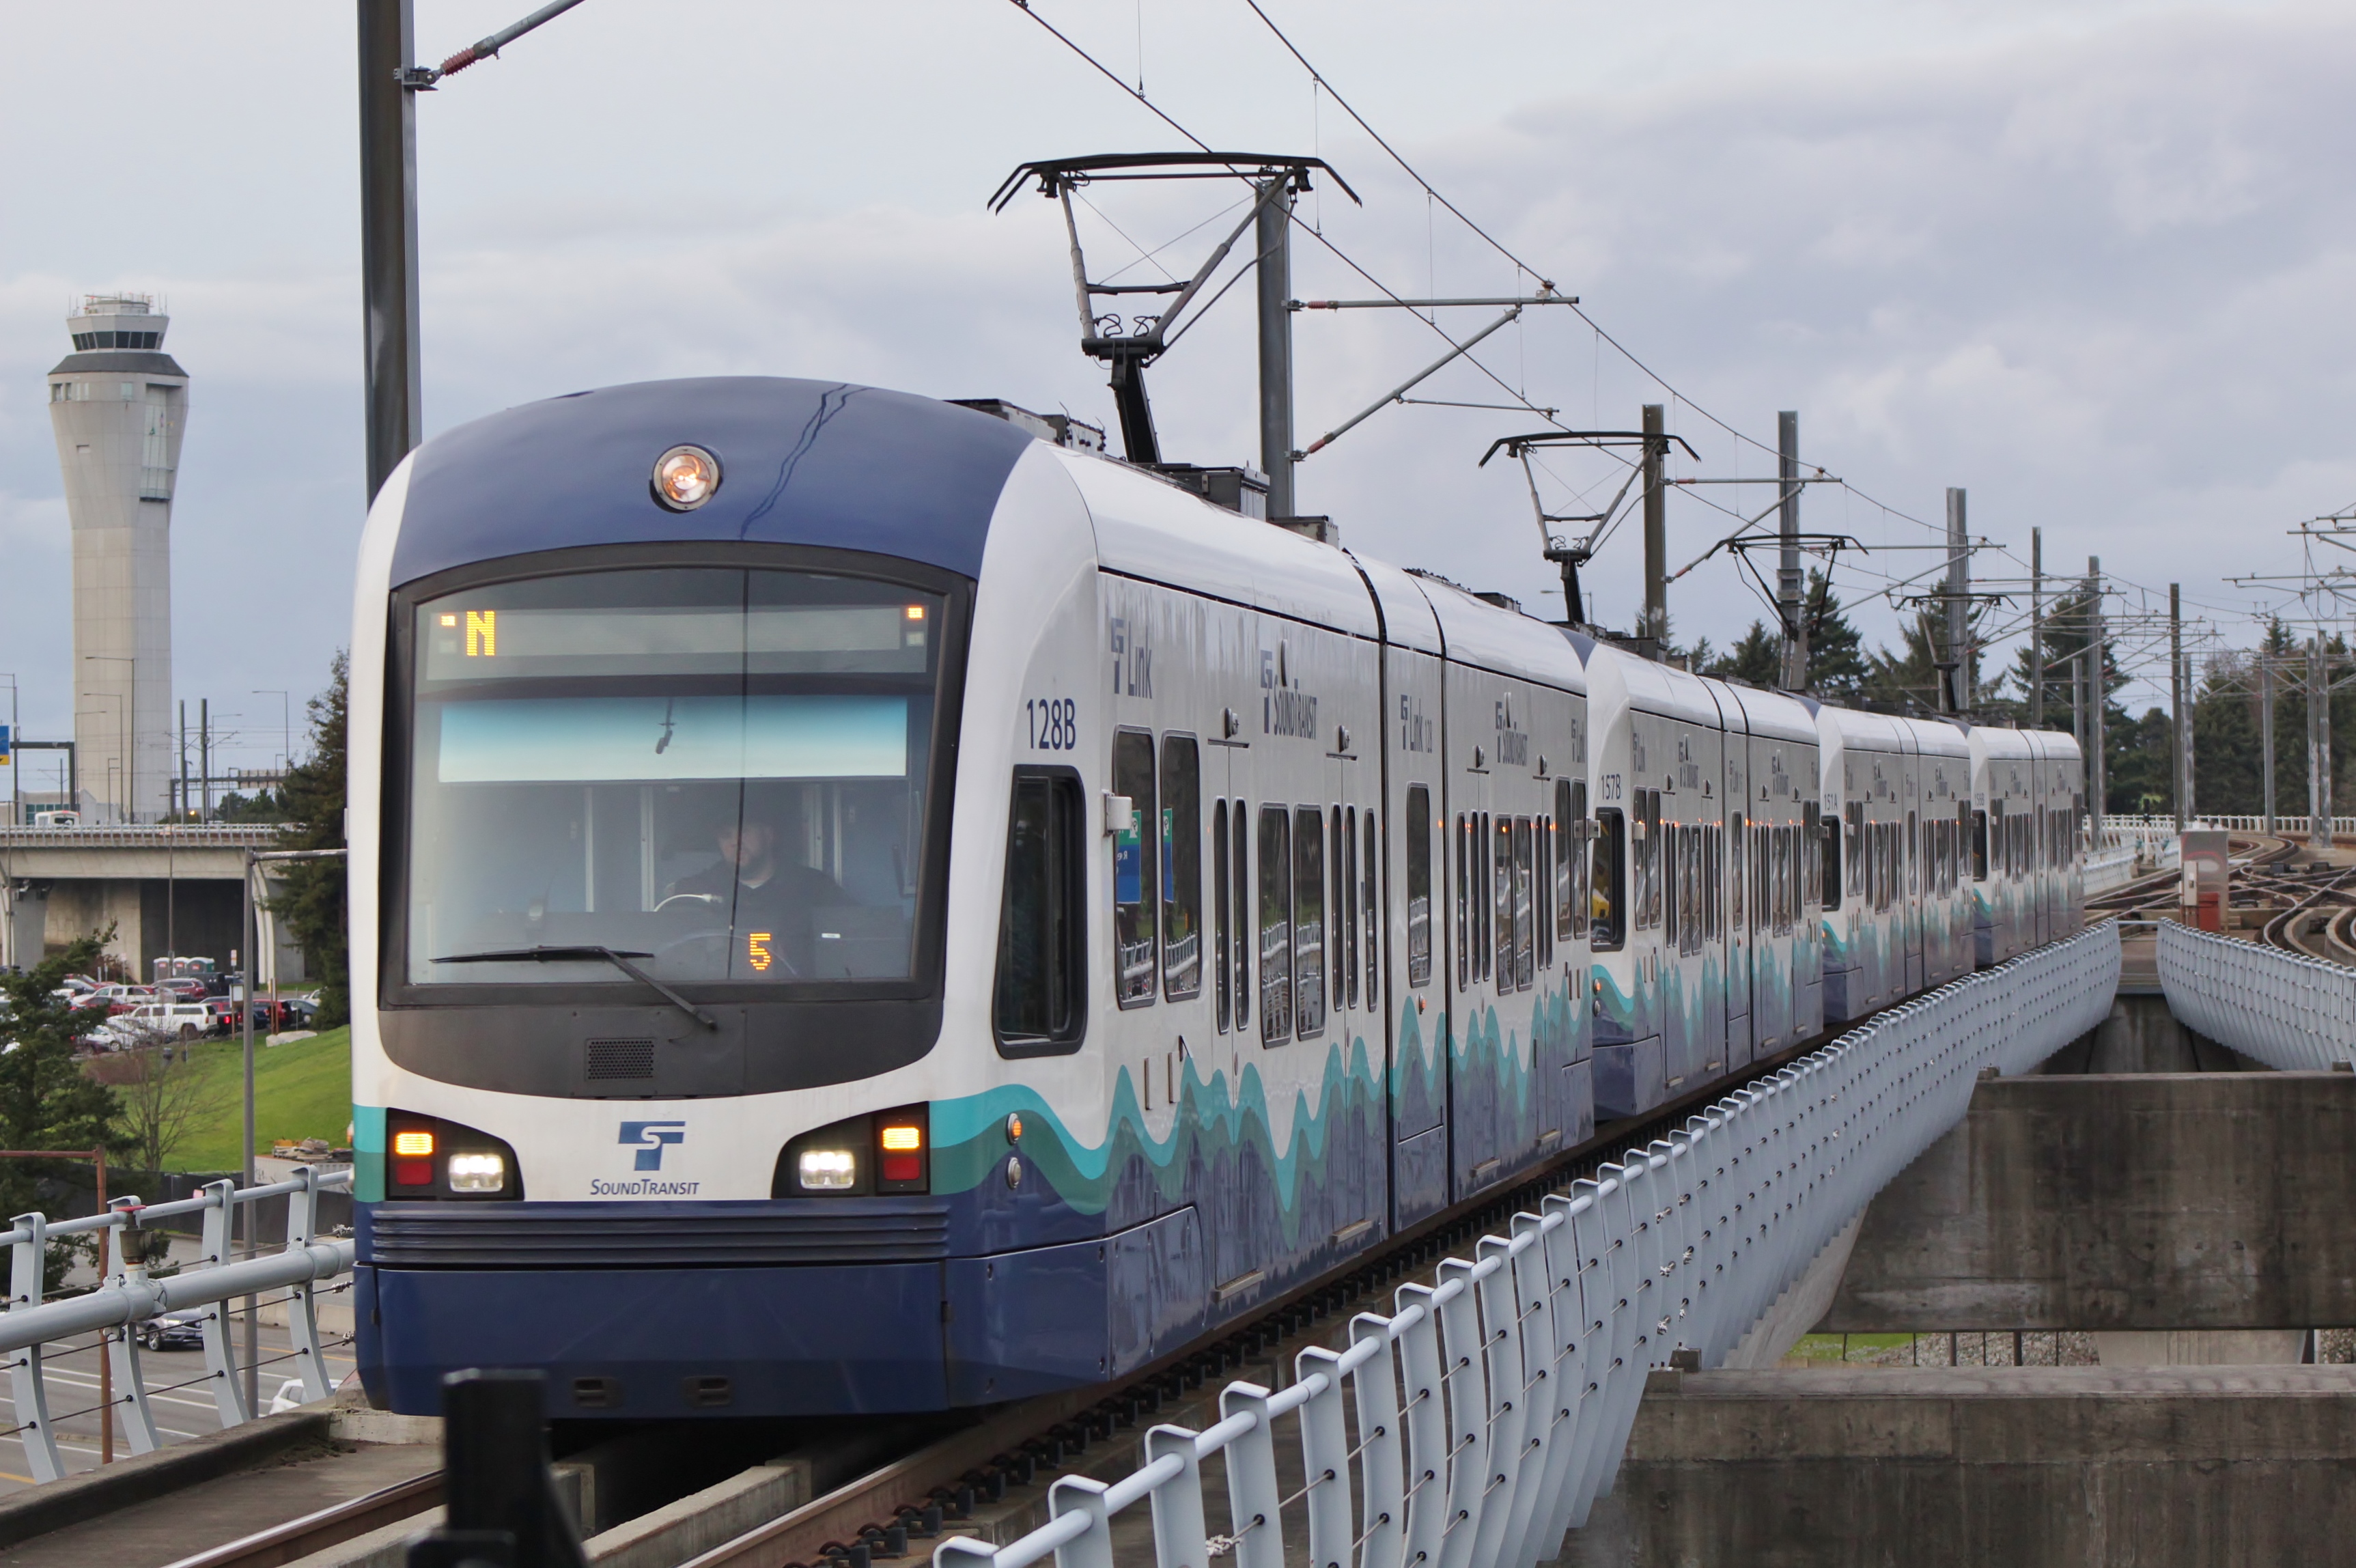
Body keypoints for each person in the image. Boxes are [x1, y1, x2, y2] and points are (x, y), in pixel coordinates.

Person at [664, 810, 847, 978]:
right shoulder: (691, 893)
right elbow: (671, 958)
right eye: (725, 835)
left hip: (797, 1000)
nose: (735, 842)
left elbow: (849, 947)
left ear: (768, 835)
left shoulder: (814, 887)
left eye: (744, 832)